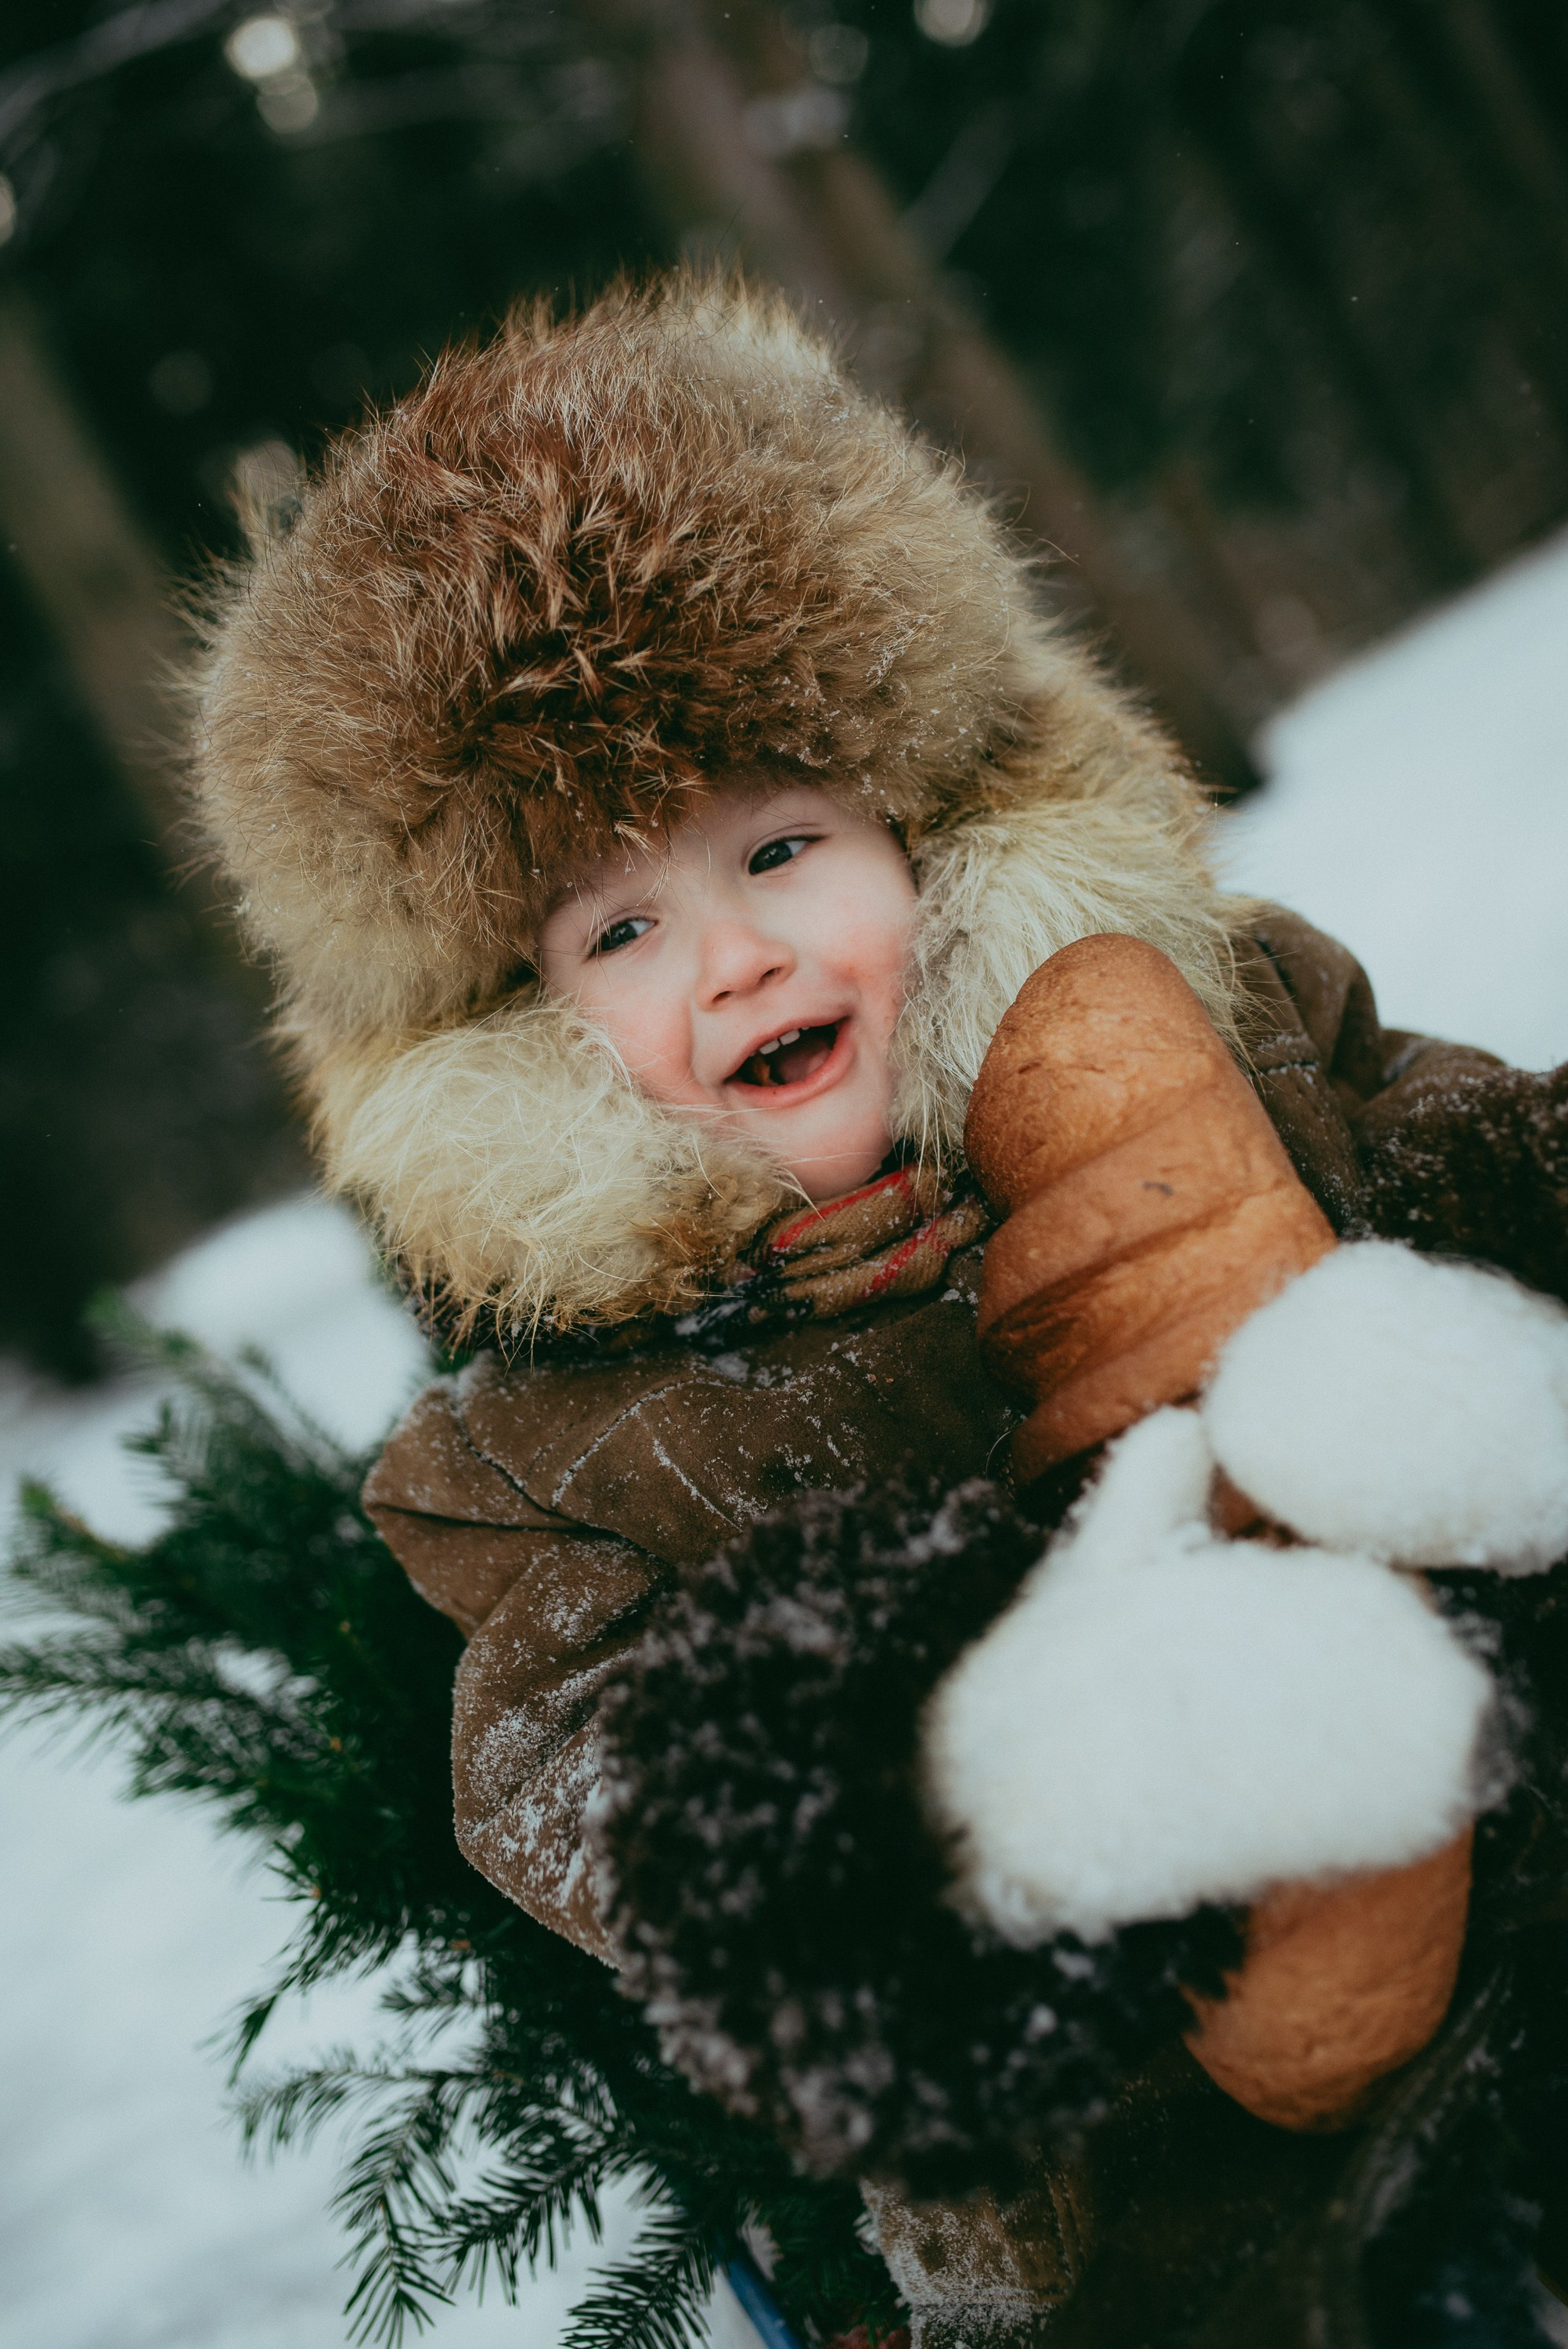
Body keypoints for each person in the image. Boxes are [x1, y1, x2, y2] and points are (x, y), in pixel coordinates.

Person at [189, 272, 1568, 2344]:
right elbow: (608, 1807)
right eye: (623, 925)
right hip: (1134, 2204)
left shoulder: (1246, 1027)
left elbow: (1482, 1166)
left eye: (780, 847)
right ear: (517, 1024)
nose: (732, 958)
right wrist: (973, 1745)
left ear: (925, 824)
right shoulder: (533, 1455)